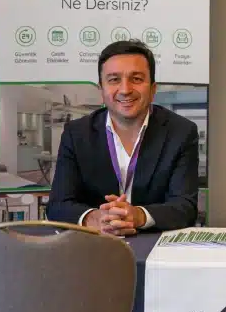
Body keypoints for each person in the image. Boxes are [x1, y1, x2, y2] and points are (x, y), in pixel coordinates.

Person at [47, 40, 199, 235]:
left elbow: (185, 207)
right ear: (101, 90)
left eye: (136, 79)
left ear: (153, 89)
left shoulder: (181, 132)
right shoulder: (76, 134)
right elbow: (58, 205)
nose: (125, 89)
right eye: (114, 80)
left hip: (153, 243)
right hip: (94, 243)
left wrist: (138, 216)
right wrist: (95, 218)